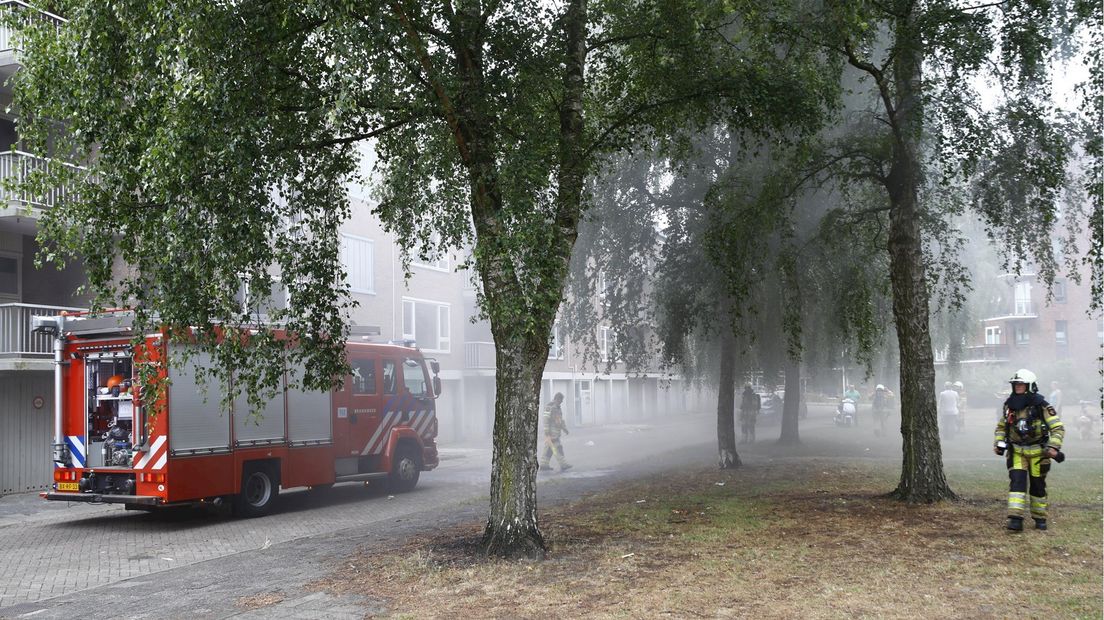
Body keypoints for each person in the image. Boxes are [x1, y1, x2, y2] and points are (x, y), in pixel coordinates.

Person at [993, 369, 1064, 531]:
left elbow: (1058, 428)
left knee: (1037, 486)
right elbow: (1001, 427)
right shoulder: (1009, 405)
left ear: (1030, 386)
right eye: (1015, 384)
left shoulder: (1042, 406)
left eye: (1021, 384)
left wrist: (1053, 447)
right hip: (1017, 452)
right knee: (1017, 482)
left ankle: (1040, 519)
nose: (1018, 387)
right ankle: (1015, 519)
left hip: (1039, 454)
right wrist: (999, 443)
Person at [539, 393, 572, 473]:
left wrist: (564, 429)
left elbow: (560, 420)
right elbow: (546, 419)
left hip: (555, 432)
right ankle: (563, 464)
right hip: (551, 433)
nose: (562, 402)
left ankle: (544, 465)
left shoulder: (557, 408)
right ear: (557, 399)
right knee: (557, 448)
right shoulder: (550, 406)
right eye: (561, 400)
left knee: (549, 449)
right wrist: (547, 432)